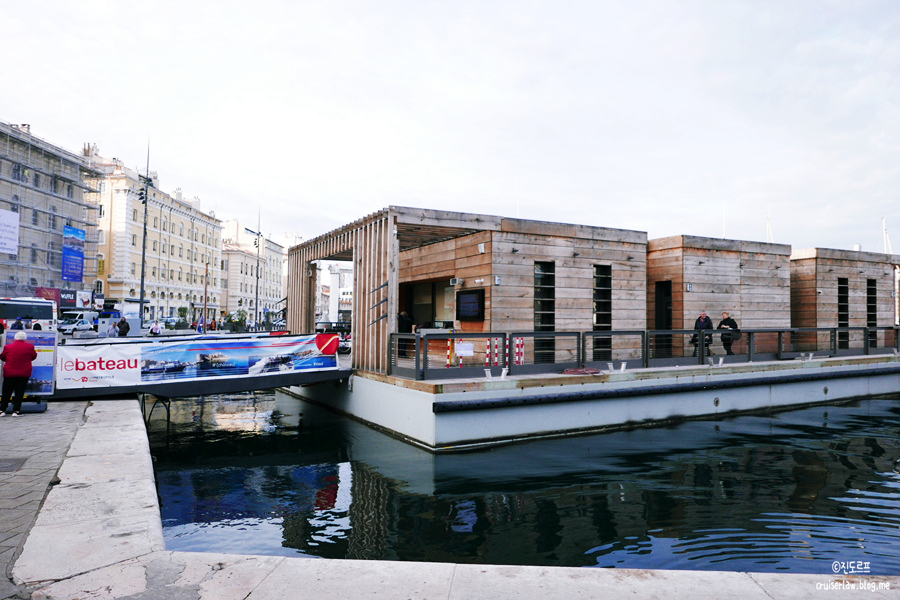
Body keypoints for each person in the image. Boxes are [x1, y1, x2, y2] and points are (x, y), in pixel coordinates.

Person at [0, 331, 37, 416]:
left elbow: (2, 357)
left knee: (6, 392)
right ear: (25, 338)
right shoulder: (30, 347)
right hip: (23, 373)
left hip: (9, 373)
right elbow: (33, 357)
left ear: (15, 338)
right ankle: (16, 411)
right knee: (19, 392)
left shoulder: (8, 347)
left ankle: (2, 410)